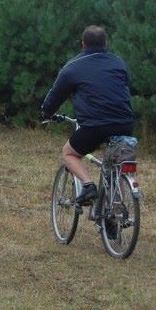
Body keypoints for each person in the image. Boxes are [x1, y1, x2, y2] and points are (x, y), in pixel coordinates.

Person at [41, 25, 135, 206]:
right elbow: (126, 86)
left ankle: (88, 185)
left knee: (69, 153)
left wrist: (46, 112)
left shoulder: (73, 67)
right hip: (125, 123)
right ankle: (114, 213)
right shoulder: (119, 62)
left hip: (95, 125)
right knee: (118, 166)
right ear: (106, 43)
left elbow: (55, 96)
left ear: (83, 44)